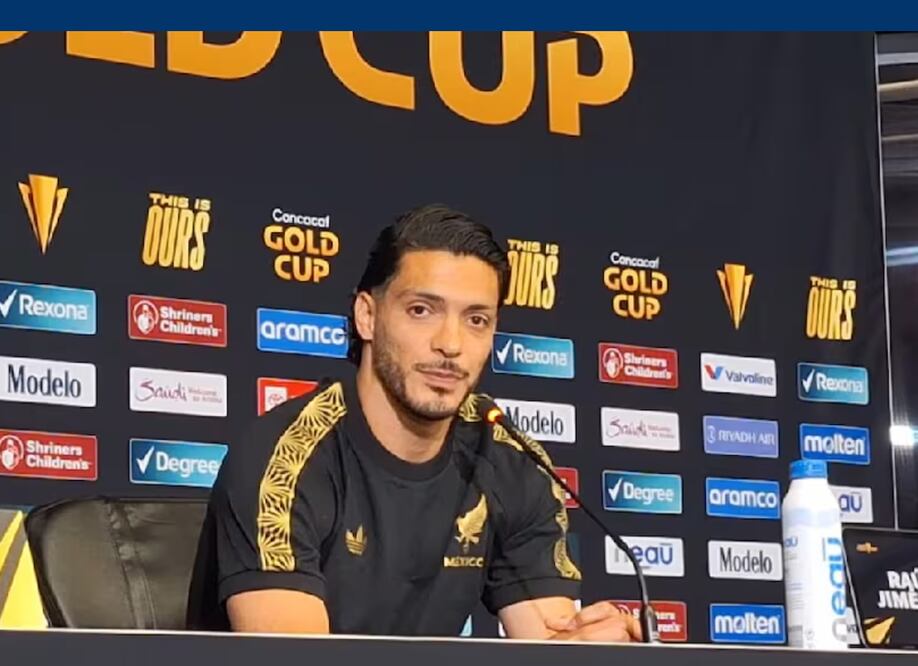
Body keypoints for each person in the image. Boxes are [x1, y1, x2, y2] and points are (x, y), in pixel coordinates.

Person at [186, 204, 640, 642]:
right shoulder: (285, 459)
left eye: (476, 319)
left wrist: (596, 653)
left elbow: (547, 640)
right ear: (367, 315)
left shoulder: (510, 459)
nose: (451, 343)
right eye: (422, 310)